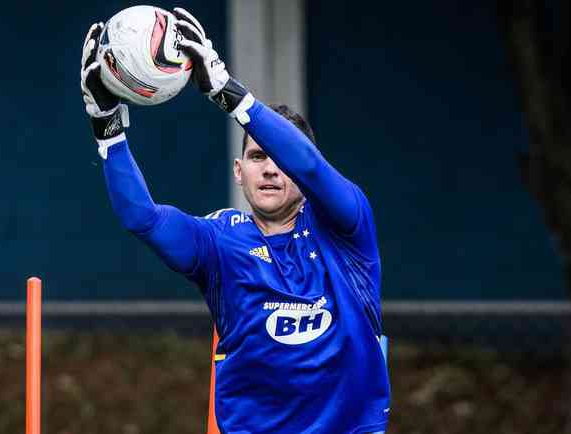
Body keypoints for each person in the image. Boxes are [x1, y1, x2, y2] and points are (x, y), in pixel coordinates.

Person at [80, 8, 390, 434]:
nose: (270, 168)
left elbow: (314, 169)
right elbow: (143, 219)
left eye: (281, 159)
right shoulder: (219, 241)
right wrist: (106, 127)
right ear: (238, 171)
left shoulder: (346, 228)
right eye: (257, 157)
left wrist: (229, 93)